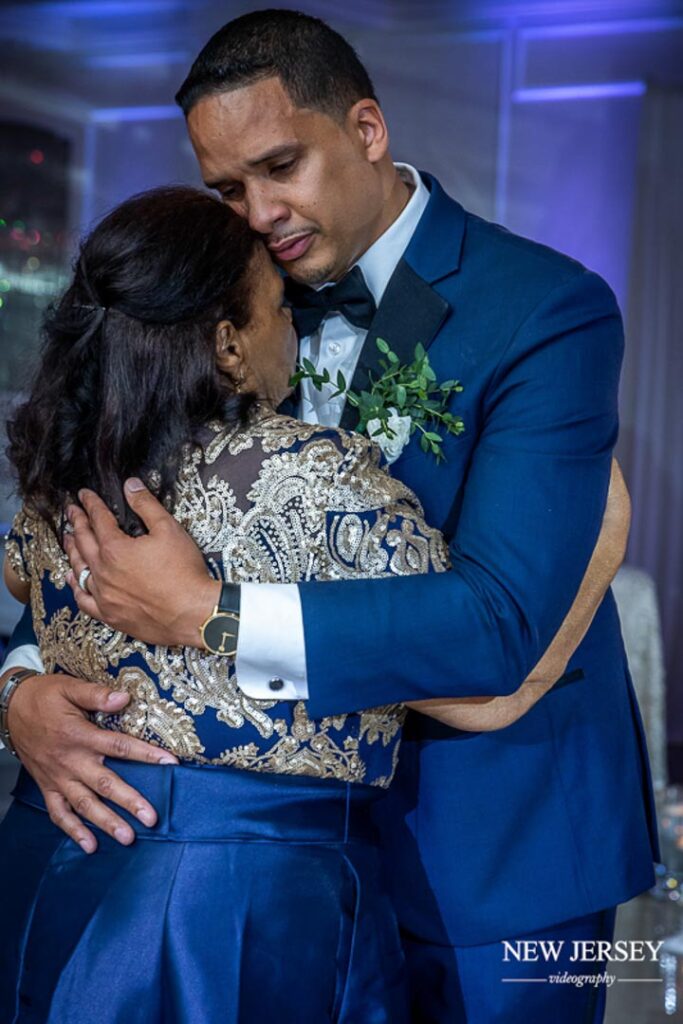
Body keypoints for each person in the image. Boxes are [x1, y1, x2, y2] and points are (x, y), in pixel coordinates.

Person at [0, 10, 657, 1023]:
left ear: (366, 129)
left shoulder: (543, 308)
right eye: (228, 189)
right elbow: (105, 509)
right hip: (270, 862)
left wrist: (211, 614)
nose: (259, 214)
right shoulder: (222, 291)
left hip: (498, 847)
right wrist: (21, 684)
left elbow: (495, 620)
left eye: (280, 167)